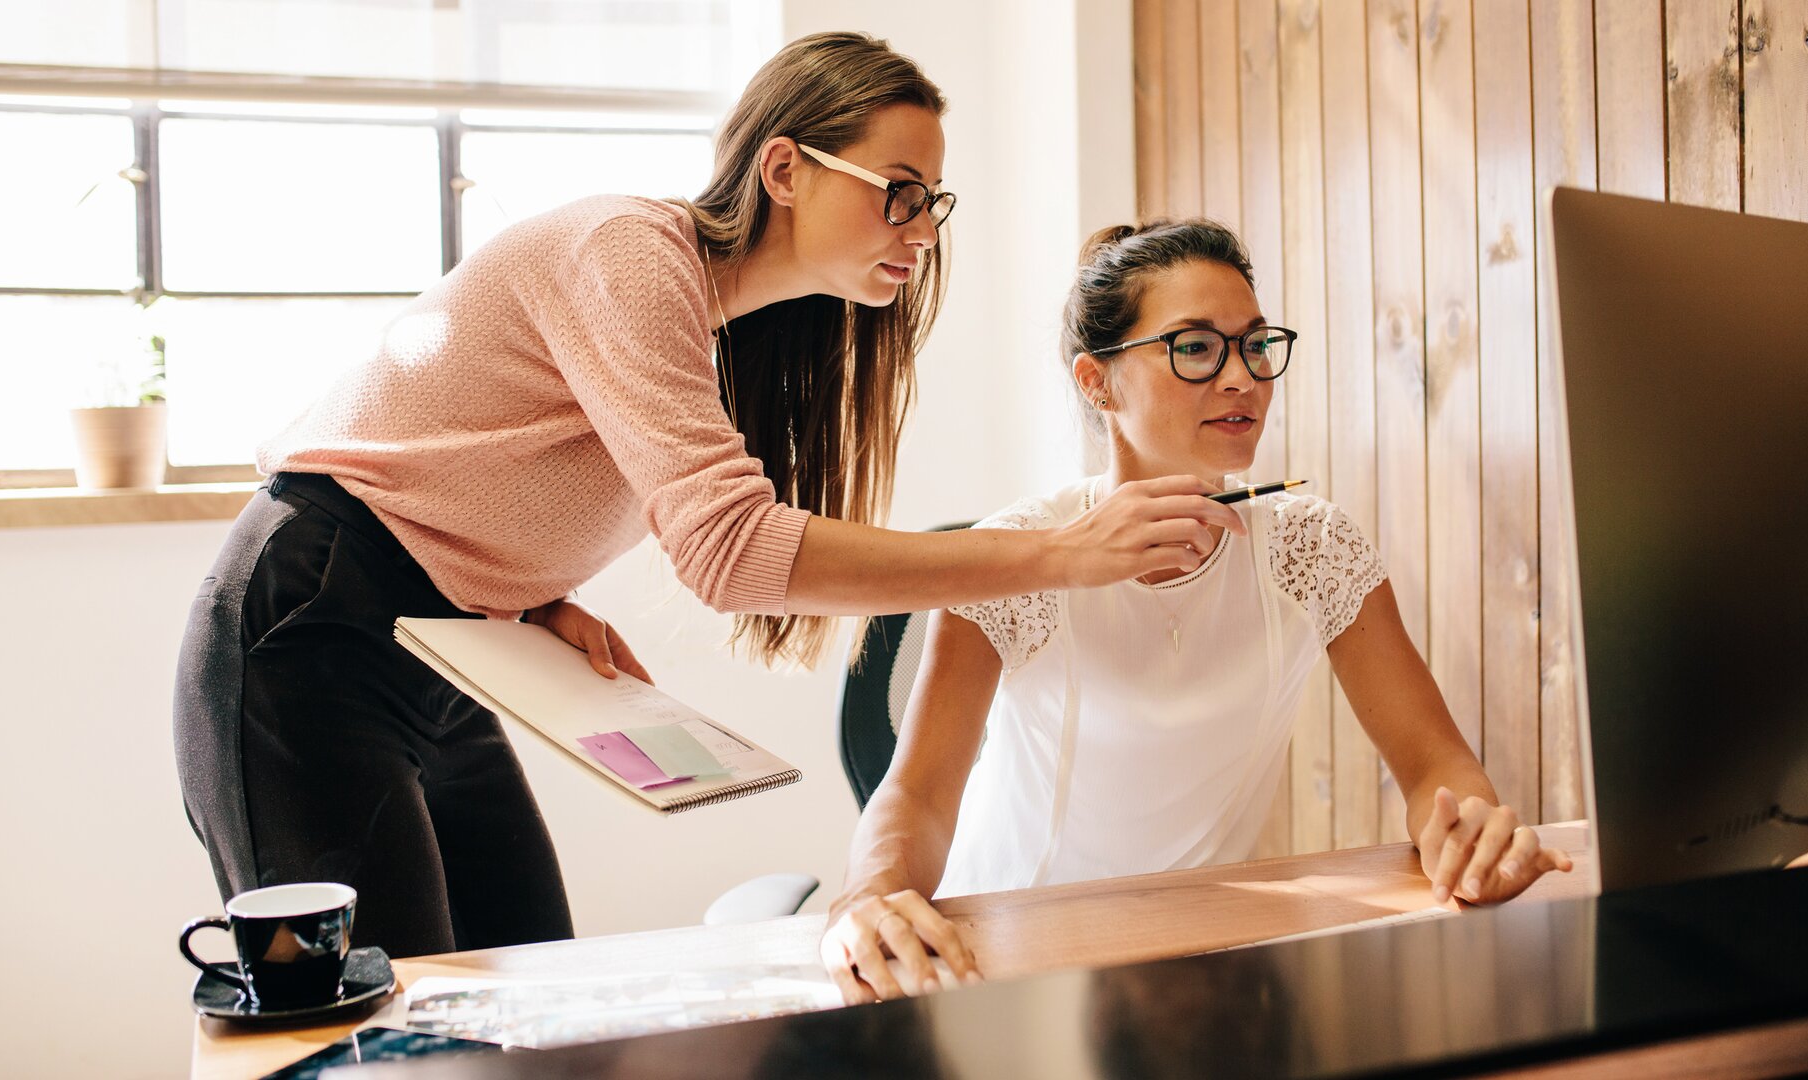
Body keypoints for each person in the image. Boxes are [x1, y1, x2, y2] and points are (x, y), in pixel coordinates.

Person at [173, 33, 1241, 960]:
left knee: (529, 994)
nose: (922, 228)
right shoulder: (632, 255)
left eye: (934, 201)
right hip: (308, 631)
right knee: (377, 1027)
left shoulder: (719, 326)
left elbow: (477, 457)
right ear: (785, 168)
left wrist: (528, 594)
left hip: (445, 645)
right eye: (899, 192)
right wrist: (1060, 553)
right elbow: (731, 554)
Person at [820, 219, 1574, 1004]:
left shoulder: (1312, 549)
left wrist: (1469, 831)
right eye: (1195, 347)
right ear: (1097, 382)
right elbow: (916, 796)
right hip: (1003, 953)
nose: (1242, 377)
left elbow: (1436, 766)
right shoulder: (1016, 555)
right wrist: (868, 894)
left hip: (1198, 954)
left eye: (1254, 345)